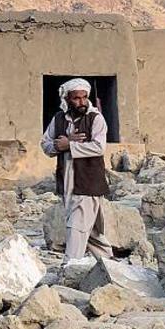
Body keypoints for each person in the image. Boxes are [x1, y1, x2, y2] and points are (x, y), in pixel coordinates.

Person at [41, 78, 112, 262]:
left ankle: (69, 267)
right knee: (91, 233)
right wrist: (59, 146)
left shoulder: (96, 119)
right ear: (67, 99)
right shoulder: (58, 119)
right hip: (67, 183)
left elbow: (98, 147)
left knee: (76, 227)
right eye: (76, 98)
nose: (81, 102)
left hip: (88, 183)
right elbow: (46, 144)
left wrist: (69, 145)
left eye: (84, 97)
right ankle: (110, 265)